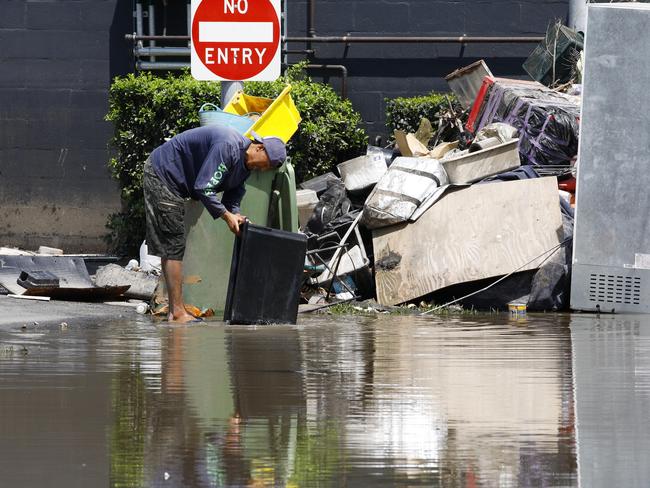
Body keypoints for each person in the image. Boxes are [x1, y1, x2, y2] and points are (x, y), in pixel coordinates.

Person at [143, 125, 287, 323]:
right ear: (260, 148)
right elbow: (204, 187)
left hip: (178, 183)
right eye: (265, 164)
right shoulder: (228, 146)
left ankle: (176, 311)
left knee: (174, 243)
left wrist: (235, 215)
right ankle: (176, 312)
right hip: (163, 174)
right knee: (173, 244)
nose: (262, 169)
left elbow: (233, 197)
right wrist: (226, 216)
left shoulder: (245, 166)